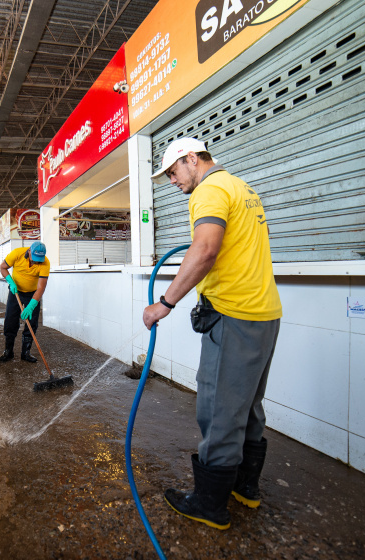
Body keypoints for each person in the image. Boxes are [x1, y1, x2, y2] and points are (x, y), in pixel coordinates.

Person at [143, 137, 282, 530]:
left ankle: (209, 504)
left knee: (219, 410)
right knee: (247, 406)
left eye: (173, 172)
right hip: (265, 313)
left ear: (192, 159)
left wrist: (164, 303)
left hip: (234, 315)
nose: (172, 181)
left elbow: (205, 250)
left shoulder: (209, 190)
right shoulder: (242, 188)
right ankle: (245, 487)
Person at [0, 241, 50, 363]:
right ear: (29, 251)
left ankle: (26, 353)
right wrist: (10, 281)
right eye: (34, 258)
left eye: (38, 260)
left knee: (32, 322)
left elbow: (41, 287)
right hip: (15, 291)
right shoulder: (17, 254)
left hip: (33, 294)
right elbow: (2, 267)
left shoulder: (45, 262)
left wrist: (31, 305)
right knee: (10, 320)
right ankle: (8, 351)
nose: (35, 262)